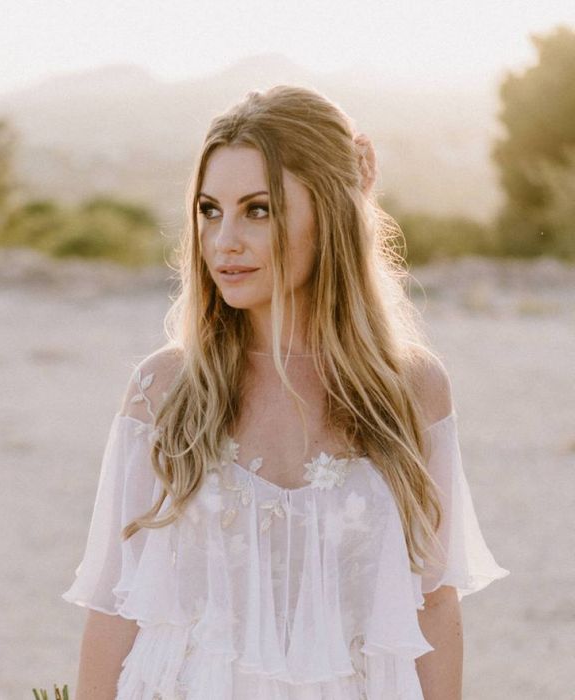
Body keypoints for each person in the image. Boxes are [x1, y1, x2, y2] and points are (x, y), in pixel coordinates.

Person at [62, 85, 509, 699]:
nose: (224, 242)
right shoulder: (163, 389)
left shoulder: (411, 390)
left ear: (330, 213)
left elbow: (433, 604)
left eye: (259, 210)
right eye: (210, 210)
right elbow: (114, 607)